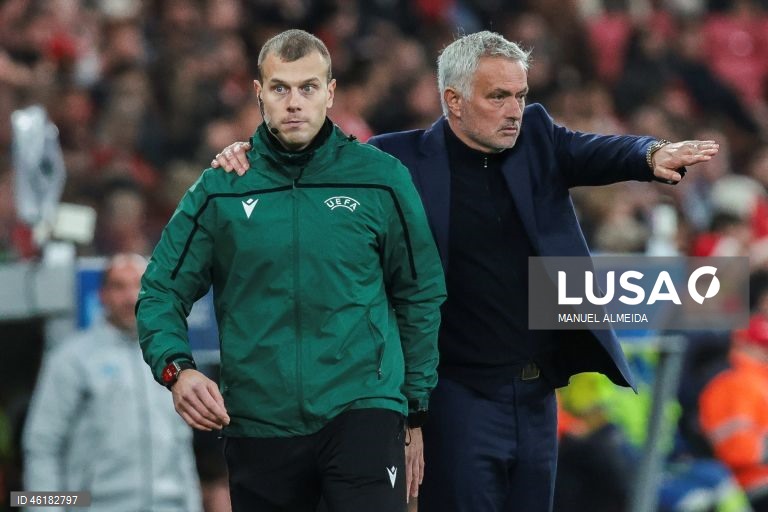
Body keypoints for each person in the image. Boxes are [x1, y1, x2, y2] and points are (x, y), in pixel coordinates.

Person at [211, 30, 719, 512]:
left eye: (519, 95)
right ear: (453, 100)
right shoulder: (398, 159)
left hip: (539, 394)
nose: (514, 111)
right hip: (458, 397)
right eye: (497, 96)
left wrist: (651, 153)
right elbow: (310, 161)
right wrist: (246, 154)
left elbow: (598, 151)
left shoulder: (538, 139)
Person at [136, 29, 445, 512]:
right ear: (259, 94)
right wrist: (178, 371)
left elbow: (420, 292)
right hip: (260, 420)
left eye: (308, 87)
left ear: (331, 92)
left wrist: (414, 409)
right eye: (280, 88)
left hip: (363, 406)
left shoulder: (380, 179)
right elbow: (159, 290)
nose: (295, 102)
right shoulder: (221, 188)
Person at [22, 253, 202, 512]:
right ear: (102, 295)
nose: (130, 297)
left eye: (139, 285)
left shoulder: (173, 358)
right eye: (119, 286)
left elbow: (181, 445)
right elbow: (42, 444)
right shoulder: (71, 358)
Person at [699, 313, 768, 512]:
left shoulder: (758, 382)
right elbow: (738, 451)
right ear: (742, 343)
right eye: (761, 346)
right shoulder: (732, 384)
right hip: (752, 484)